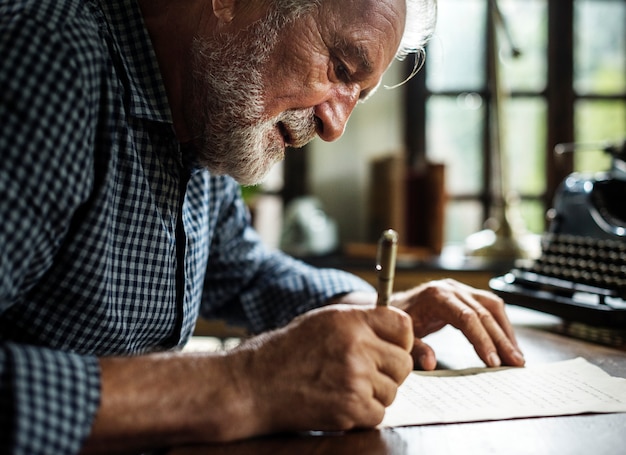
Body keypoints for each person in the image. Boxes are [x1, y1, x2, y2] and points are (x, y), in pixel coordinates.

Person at [0, 0, 525, 453]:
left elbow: (244, 271)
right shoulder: (49, 57)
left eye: (356, 97)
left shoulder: (204, 116)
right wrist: (245, 385)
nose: (335, 127)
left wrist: (373, 309)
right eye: (340, 68)